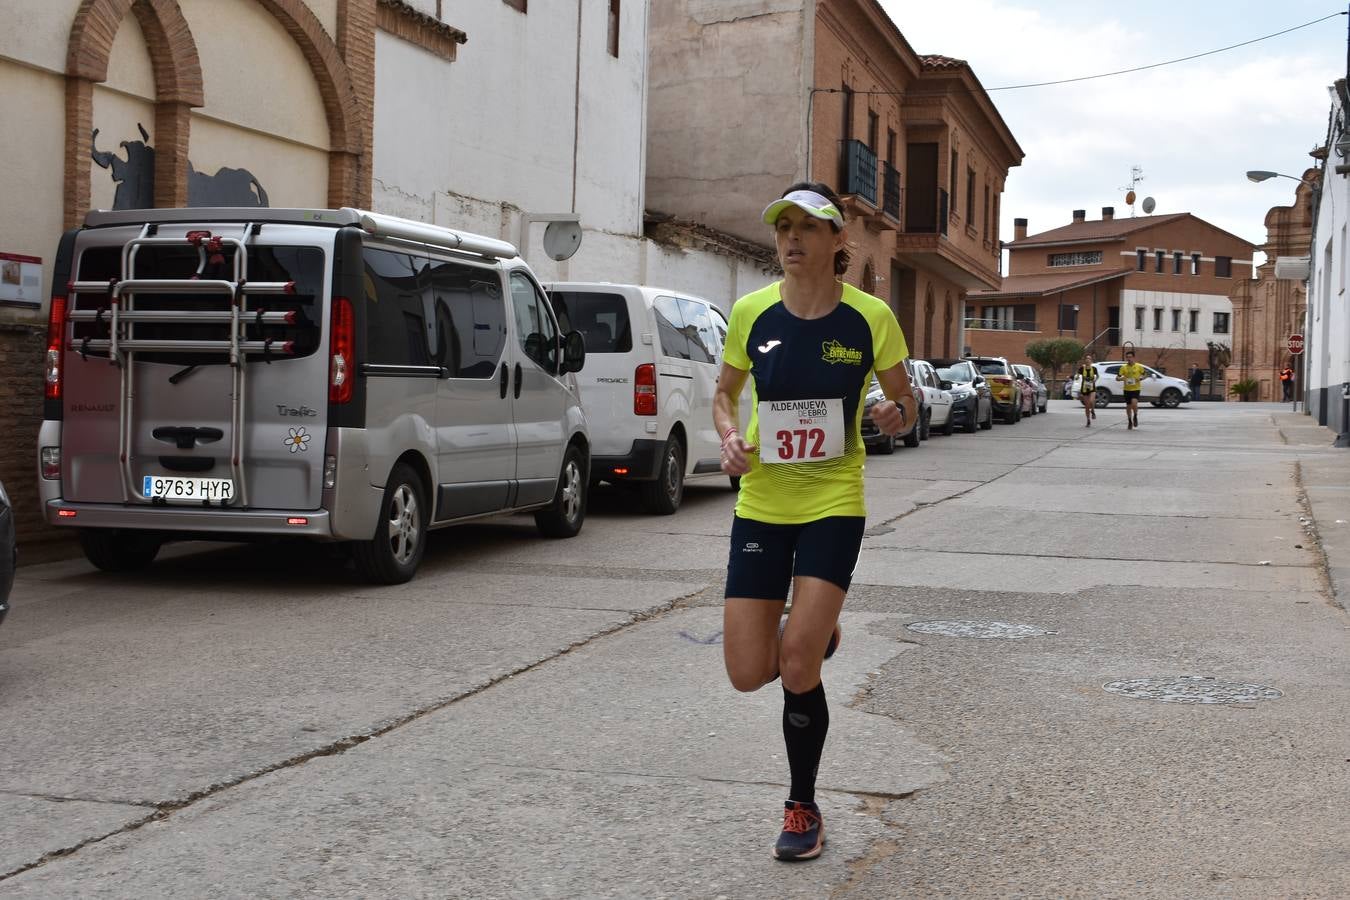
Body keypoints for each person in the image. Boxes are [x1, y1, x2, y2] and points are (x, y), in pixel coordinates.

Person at [713, 182, 916, 862]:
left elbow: (903, 400)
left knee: (796, 664)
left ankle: (802, 804)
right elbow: (724, 395)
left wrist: (897, 414)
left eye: (809, 226)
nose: (792, 237)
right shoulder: (750, 313)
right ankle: (814, 631)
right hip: (763, 502)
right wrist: (728, 438)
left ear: (838, 242)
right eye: (784, 227)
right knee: (748, 671)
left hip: (833, 499)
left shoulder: (870, 318)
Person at [1116, 350, 1147, 429]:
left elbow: (1145, 375)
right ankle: (1130, 421)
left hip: (1136, 388)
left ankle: (1135, 416)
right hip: (1127, 389)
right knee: (1128, 406)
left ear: (1134, 357)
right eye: (1127, 357)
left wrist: (1140, 378)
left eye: (1130, 357)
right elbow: (1117, 377)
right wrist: (1121, 379)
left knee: (1134, 404)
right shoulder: (1123, 368)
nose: (1129, 359)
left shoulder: (1139, 367)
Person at [1075, 354, 1098, 426]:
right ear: (1085, 360)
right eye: (1086, 359)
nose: (1087, 360)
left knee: (1091, 401)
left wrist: (1095, 380)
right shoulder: (1082, 368)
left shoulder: (1094, 368)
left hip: (1092, 387)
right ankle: (1088, 420)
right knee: (1087, 405)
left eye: (1089, 359)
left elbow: (1097, 376)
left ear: (1091, 361)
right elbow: (1077, 374)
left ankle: (1093, 411)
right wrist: (1077, 377)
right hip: (1084, 388)